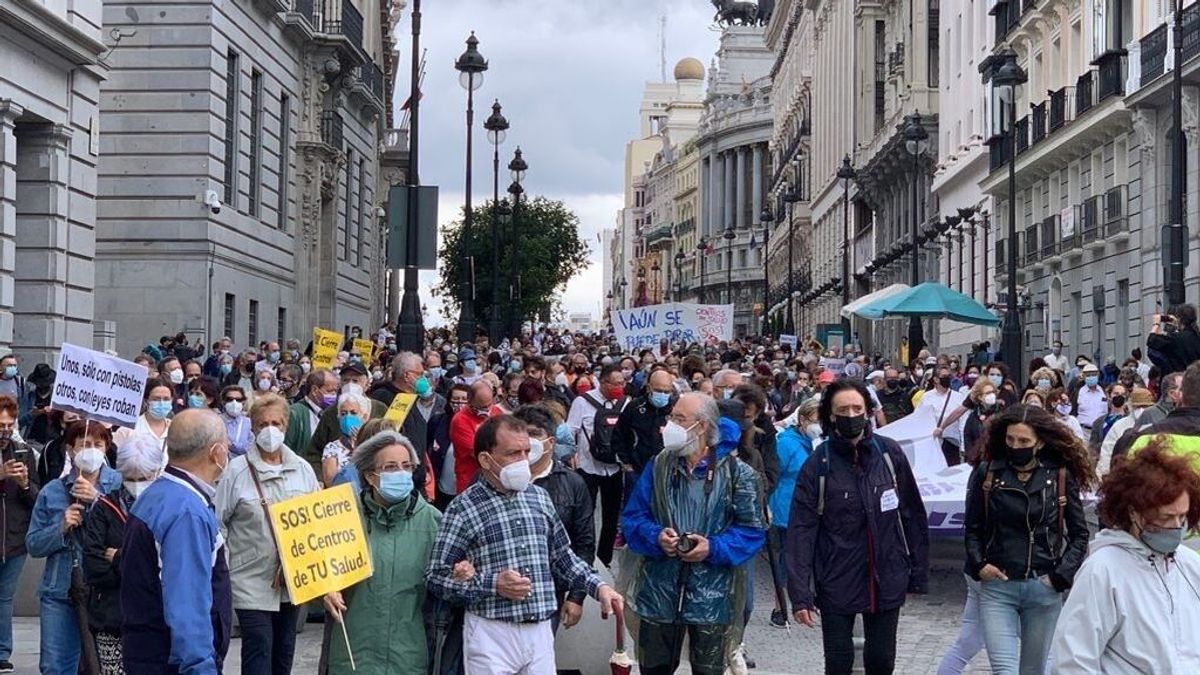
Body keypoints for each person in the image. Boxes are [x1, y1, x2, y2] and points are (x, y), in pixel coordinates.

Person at [424, 415, 624, 674]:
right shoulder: (463, 508)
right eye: (512, 453)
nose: (523, 461)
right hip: (491, 633)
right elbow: (436, 576)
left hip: (540, 630)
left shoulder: (539, 498)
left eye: (526, 452)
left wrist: (599, 587)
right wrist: (493, 584)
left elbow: (562, 557)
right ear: (486, 459)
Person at [786, 380, 929, 675]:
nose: (851, 415)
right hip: (836, 575)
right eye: (843, 410)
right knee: (838, 662)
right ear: (831, 416)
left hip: (886, 574)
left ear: (867, 412)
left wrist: (918, 572)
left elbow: (912, 514)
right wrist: (800, 593)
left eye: (857, 408)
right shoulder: (818, 465)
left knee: (881, 660)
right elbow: (801, 530)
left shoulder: (889, 455)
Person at [620, 392, 764, 675]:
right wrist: (657, 537)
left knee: (708, 669)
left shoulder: (738, 473)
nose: (669, 424)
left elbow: (751, 531)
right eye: (671, 416)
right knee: (654, 668)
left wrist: (712, 547)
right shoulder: (660, 465)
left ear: (702, 426)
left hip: (713, 595)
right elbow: (633, 518)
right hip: (658, 590)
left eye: (679, 418)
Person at [963, 405, 1094, 675]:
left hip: (1043, 586)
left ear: (1040, 442)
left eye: (1024, 441)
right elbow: (973, 527)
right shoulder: (988, 474)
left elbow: (1080, 533)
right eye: (1011, 439)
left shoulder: (1058, 476)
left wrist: (1060, 575)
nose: (1016, 446)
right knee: (1005, 670)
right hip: (998, 585)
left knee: (1033, 670)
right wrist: (979, 564)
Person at [1049, 441, 1200, 672]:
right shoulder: (1102, 570)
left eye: (1182, 517)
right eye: (1165, 518)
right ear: (1134, 513)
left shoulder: (1190, 565)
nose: (1176, 526)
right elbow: (1075, 658)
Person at [215, 393, 319, 675]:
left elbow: (316, 519)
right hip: (249, 578)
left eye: (275, 423)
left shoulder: (303, 470)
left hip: (292, 579)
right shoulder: (235, 472)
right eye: (262, 424)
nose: (269, 430)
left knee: (284, 651)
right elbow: (218, 521)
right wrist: (227, 562)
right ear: (253, 427)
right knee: (259, 647)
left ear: (285, 426)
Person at [322, 430, 441, 675]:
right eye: (390, 467)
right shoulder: (343, 516)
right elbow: (313, 571)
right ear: (370, 476)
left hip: (409, 656)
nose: (400, 473)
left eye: (406, 466)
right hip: (353, 656)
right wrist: (322, 591)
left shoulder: (433, 522)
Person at [123, 409, 232, 673]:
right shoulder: (185, 512)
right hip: (171, 661)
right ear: (216, 452)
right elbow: (187, 604)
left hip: (149, 652)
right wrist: (200, 667)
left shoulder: (158, 496)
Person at [26, 420, 122, 674]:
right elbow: (33, 544)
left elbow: (130, 532)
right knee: (56, 665)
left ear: (106, 448)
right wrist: (60, 527)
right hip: (61, 590)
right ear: (70, 450)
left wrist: (98, 502)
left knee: (104, 665)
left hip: (105, 591)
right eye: (84, 445)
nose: (91, 450)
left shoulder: (120, 487)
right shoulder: (52, 492)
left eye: (97, 445)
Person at [81, 434, 163, 675]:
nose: (136, 484)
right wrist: (135, 566)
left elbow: (163, 563)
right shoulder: (105, 508)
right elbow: (94, 564)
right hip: (111, 615)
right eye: (130, 478)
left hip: (155, 618)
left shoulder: (164, 507)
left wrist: (118, 557)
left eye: (143, 478)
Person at [512, 405, 594, 639]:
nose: (528, 441)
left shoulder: (573, 484)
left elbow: (584, 544)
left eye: (534, 434)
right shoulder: (494, 478)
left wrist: (576, 596)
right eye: (522, 433)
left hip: (549, 591)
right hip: (500, 592)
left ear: (550, 441)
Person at [566, 364, 628, 567]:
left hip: (615, 467)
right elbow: (570, 430)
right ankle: (584, 556)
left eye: (622, 383)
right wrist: (570, 454)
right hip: (587, 466)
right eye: (615, 383)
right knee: (585, 514)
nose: (620, 387)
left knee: (611, 516)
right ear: (603, 382)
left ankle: (605, 558)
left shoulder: (625, 402)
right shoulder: (582, 402)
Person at [766, 397, 817, 630]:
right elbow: (774, 475)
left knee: (809, 558)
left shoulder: (814, 443)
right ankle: (780, 607)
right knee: (788, 561)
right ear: (803, 419)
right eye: (816, 420)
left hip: (811, 510)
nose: (820, 426)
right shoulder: (786, 443)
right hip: (786, 511)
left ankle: (807, 600)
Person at [0, 394, 36, 672]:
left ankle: (2, 652)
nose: (4, 429)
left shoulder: (21, 451)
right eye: (0, 423)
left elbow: (37, 498)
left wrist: (24, 484)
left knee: (5, 597)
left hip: (13, 539)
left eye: (9, 424)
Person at [612, 368, 674, 478]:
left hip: (667, 471)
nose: (662, 394)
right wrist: (625, 462)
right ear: (649, 387)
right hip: (638, 470)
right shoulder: (634, 407)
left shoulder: (676, 410)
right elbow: (619, 434)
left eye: (666, 391)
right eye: (658, 391)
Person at [450, 380, 501, 493]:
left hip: (495, 478)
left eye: (489, 404)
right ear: (470, 401)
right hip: (470, 480)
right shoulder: (460, 421)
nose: (487, 410)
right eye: (483, 407)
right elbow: (478, 454)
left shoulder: (496, 411)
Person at [283, 369, 338, 464]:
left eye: (335, 391)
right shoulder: (295, 413)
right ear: (314, 390)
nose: (334, 395)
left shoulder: (333, 414)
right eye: (329, 391)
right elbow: (286, 448)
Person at [1097, 386, 1153, 478]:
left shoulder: (1157, 425)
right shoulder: (1119, 426)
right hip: (1124, 476)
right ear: (1131, 406)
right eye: (1138, 407)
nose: (1141, 410)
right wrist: (1105, 474)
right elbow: (1107, 451)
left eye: (1145, 406)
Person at [430, 384, 470, 510]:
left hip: (465, 489)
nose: (460, 403)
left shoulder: (476, 425)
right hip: (442, 489)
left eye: (464, 399)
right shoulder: (438, 421)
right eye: (456, 399)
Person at [321, 389, 372, 485]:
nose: (348, 417)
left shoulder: (374, 444)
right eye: (343, 414)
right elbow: (330, 481)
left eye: (353, 413)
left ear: (364, 417)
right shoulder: (332, 448)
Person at [925, 364, 969, 466]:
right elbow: (920, 420)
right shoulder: (926, 398)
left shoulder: (958, 397)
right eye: (944, 377)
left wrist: (962, 446)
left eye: (949, 376)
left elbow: (963, 422)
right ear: (936, 379)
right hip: (933, 443)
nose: (947, 379)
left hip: (951, 443)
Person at [1147, 303, 1200, 376]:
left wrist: (1156, 324)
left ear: (1179, 319)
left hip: (1179, 380)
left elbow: (1151, 341)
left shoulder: (1176, 338)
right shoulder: (1196, 335)